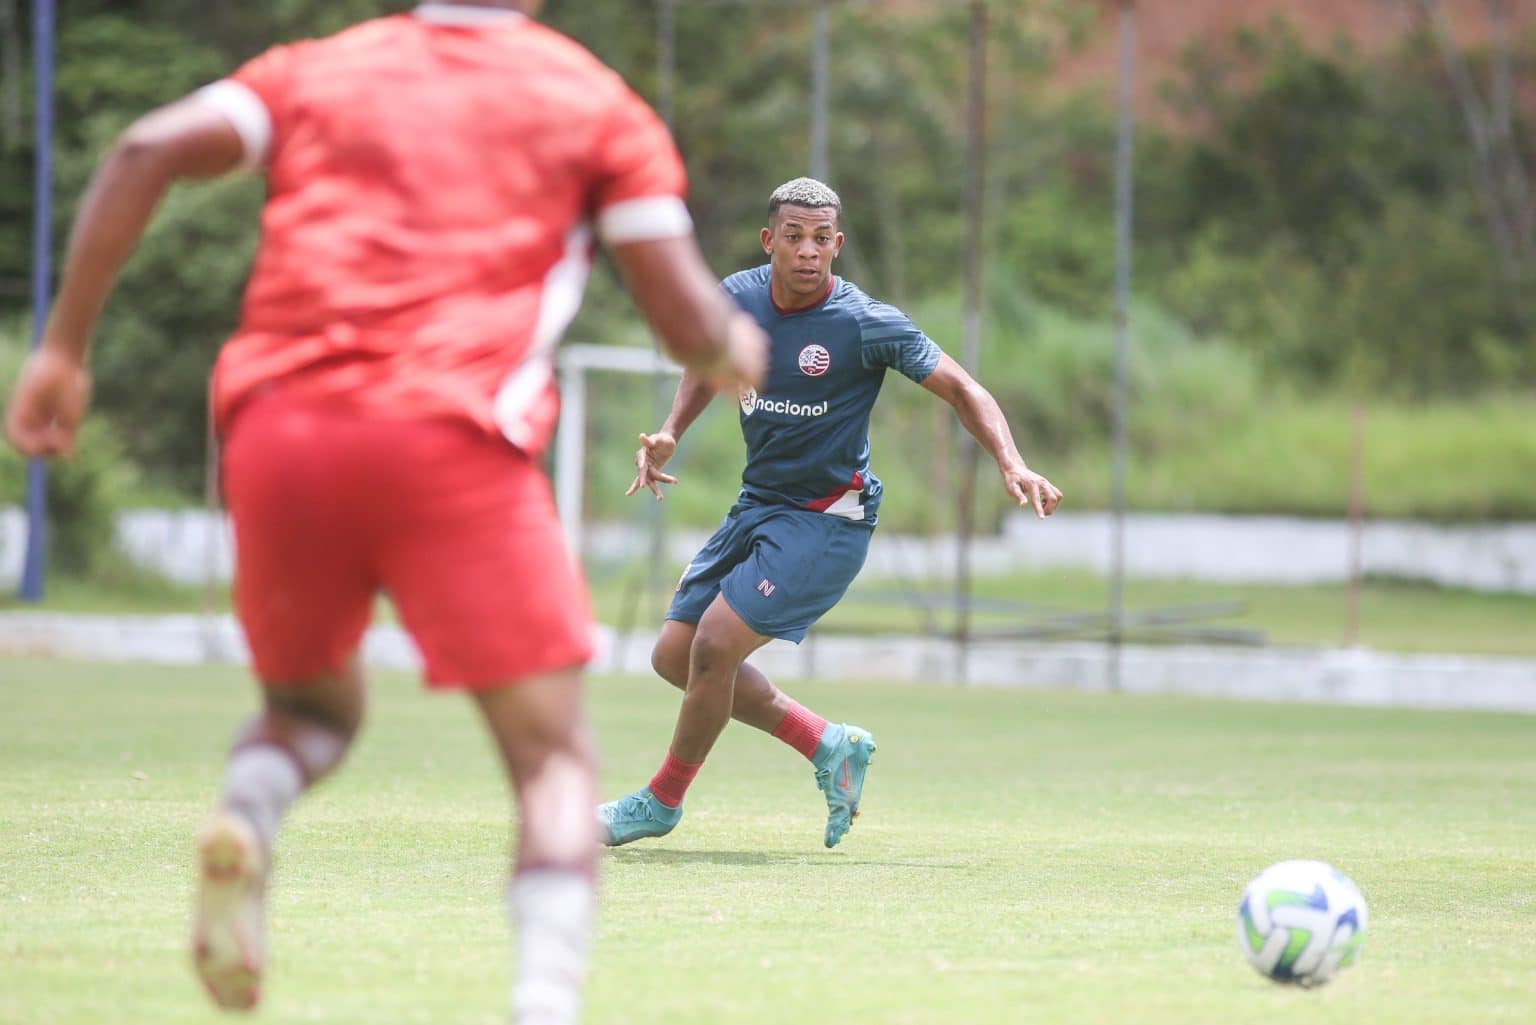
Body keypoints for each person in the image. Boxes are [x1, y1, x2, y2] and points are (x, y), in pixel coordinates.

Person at [4, 3, 766, 1023]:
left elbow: (145, 149)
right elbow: (683, 318)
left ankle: (249, 813)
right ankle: (543, 1001)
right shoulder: (593, 102)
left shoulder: (319, 68)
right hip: (449, 437)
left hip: (278, 434)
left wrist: (61, 349)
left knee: (310, 711)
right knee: (550, 757)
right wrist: (732, 346)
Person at [597, 176, 1062, 850]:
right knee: (675, 656)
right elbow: (707, 362)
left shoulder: (864, 323)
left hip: (828, 519)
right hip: (759, 504)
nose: (808, 250)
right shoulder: (737, 299)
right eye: (794, 236)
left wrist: (1012, 462)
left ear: (837, 245)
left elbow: (964, 388)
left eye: (821, 238)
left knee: (714, 647)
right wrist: (671, 430)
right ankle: (828, 743)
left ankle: (661, 801)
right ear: (770, 241)